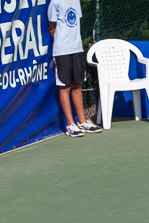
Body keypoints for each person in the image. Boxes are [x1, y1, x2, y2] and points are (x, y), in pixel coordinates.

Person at [47, 0, 103, 137]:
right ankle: (70, 124)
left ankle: (82, 122)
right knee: (64, 87)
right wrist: (63, 43)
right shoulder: (55, 3)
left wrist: (72, 44)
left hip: (77, 49)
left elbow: (75, 24)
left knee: (77, 85)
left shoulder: (76, 1)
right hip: (62, 51)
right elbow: (52, 28)